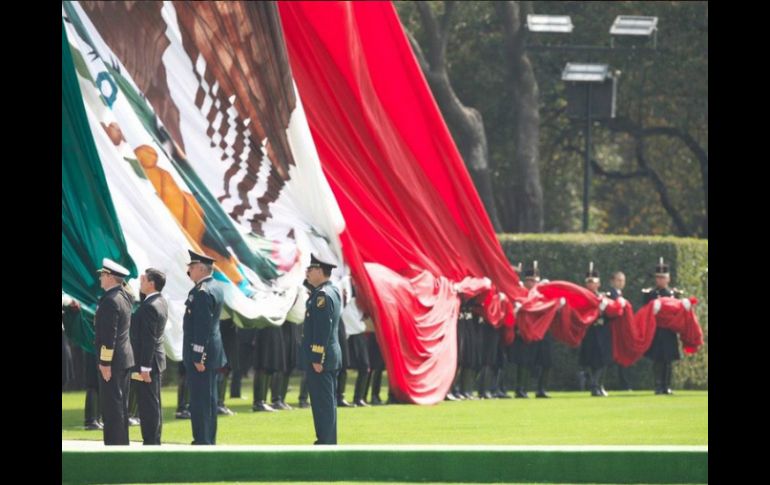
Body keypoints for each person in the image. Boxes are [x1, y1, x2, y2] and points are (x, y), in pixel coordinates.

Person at [184, 249, 226, 445]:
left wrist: (198, 356)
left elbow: (202, 327)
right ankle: (205, 438)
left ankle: (203, 440)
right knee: (206, 397)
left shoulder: (203, 292)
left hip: (203, 354)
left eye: (191, 267)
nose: (189, 271)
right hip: (210, 351)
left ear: (201, 268)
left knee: (202, 399)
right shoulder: (214, 286)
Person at [300, 254, 343, 445]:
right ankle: (327, 440)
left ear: (319, 271)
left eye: (310, 270)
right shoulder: (330, 291)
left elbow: (322, 329)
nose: (307, 273)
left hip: (322, 358)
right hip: (330, 356)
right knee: (326, 402)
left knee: (322, 404)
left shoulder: (322, 296)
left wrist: (317, 356)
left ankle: (326, 442)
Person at [94, 258, 134, 445]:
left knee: (112, 407)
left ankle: (115, 447)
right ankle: (121, 445)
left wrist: (105, 363)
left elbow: (109, 336)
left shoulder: (111, 301)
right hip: (124, 359)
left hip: (114, 362)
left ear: (110, 277)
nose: (100, 278)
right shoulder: (123, 297)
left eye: (102, 275)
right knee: (120, 406)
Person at [131, 268, 168, 445]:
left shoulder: (149, 307)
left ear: (152, 283)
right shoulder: (160, 301)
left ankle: (151, 441)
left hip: (148, 362)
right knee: (153, 403)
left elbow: (148, 339)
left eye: (144, 279)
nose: (141, 281)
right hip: (155, 360)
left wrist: (144, 367)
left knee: (148, 405)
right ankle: (154, 439)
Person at [643, 258, 684, 395]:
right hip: (656, 331)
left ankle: (667, 385)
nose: (660, 280)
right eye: (658, 278)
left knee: (668, 360)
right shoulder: (650, 294)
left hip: (669, 331)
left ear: (668, 279)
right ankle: (658, 385)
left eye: (663, 278)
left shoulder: (674, 294)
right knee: (657, 359)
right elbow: (645, 312)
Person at [578, 262, 613, 397]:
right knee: (591, 361)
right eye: (588, 282)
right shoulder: (583, 297)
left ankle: (598, 384)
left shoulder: (604, 297)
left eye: (593, 282)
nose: (591, 285)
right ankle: (594, 385)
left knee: (603, 361)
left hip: (602, 331)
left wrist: (605, 309)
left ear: (598, 284)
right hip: (590, 332)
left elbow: (612, 315)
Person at [608, 271, 633, 391]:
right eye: (618, 280)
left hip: (620, 331)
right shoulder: (610, 294)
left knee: (621, 358)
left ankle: (625, 384)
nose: (621, 283)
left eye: (623, 280)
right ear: (612, 281)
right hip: (612, 330)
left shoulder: (620, 294)